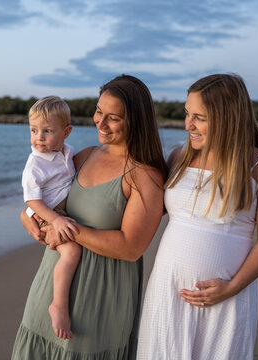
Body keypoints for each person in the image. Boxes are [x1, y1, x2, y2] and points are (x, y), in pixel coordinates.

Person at [12, 74, 168, 359]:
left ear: (135, 121)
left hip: (100, 298)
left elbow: (131, 247)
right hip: (51, 286)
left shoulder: (145, 176)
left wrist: (69, 230)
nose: (100, 122)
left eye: (113, 118)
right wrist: (27, 216)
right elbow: (47, 197)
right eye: (98, 111)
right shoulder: (83, 157)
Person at [136, 73, 258, 359]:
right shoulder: (178, 157)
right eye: (187, 114)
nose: (188, 125)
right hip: (168, 292)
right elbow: (137, 204)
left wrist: (232, 287)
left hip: (225, 298)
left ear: (227, 117)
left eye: (199, 117)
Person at [21, 95, 81, 340]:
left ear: (66, 132)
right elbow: (32, 200)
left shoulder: (68, 153)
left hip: (59, 213)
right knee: (72, 251)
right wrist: (55, 220)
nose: (39, 137)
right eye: (34, 130)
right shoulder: (35, 163)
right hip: (47, 214)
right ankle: (58, 304)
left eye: (47, 131)